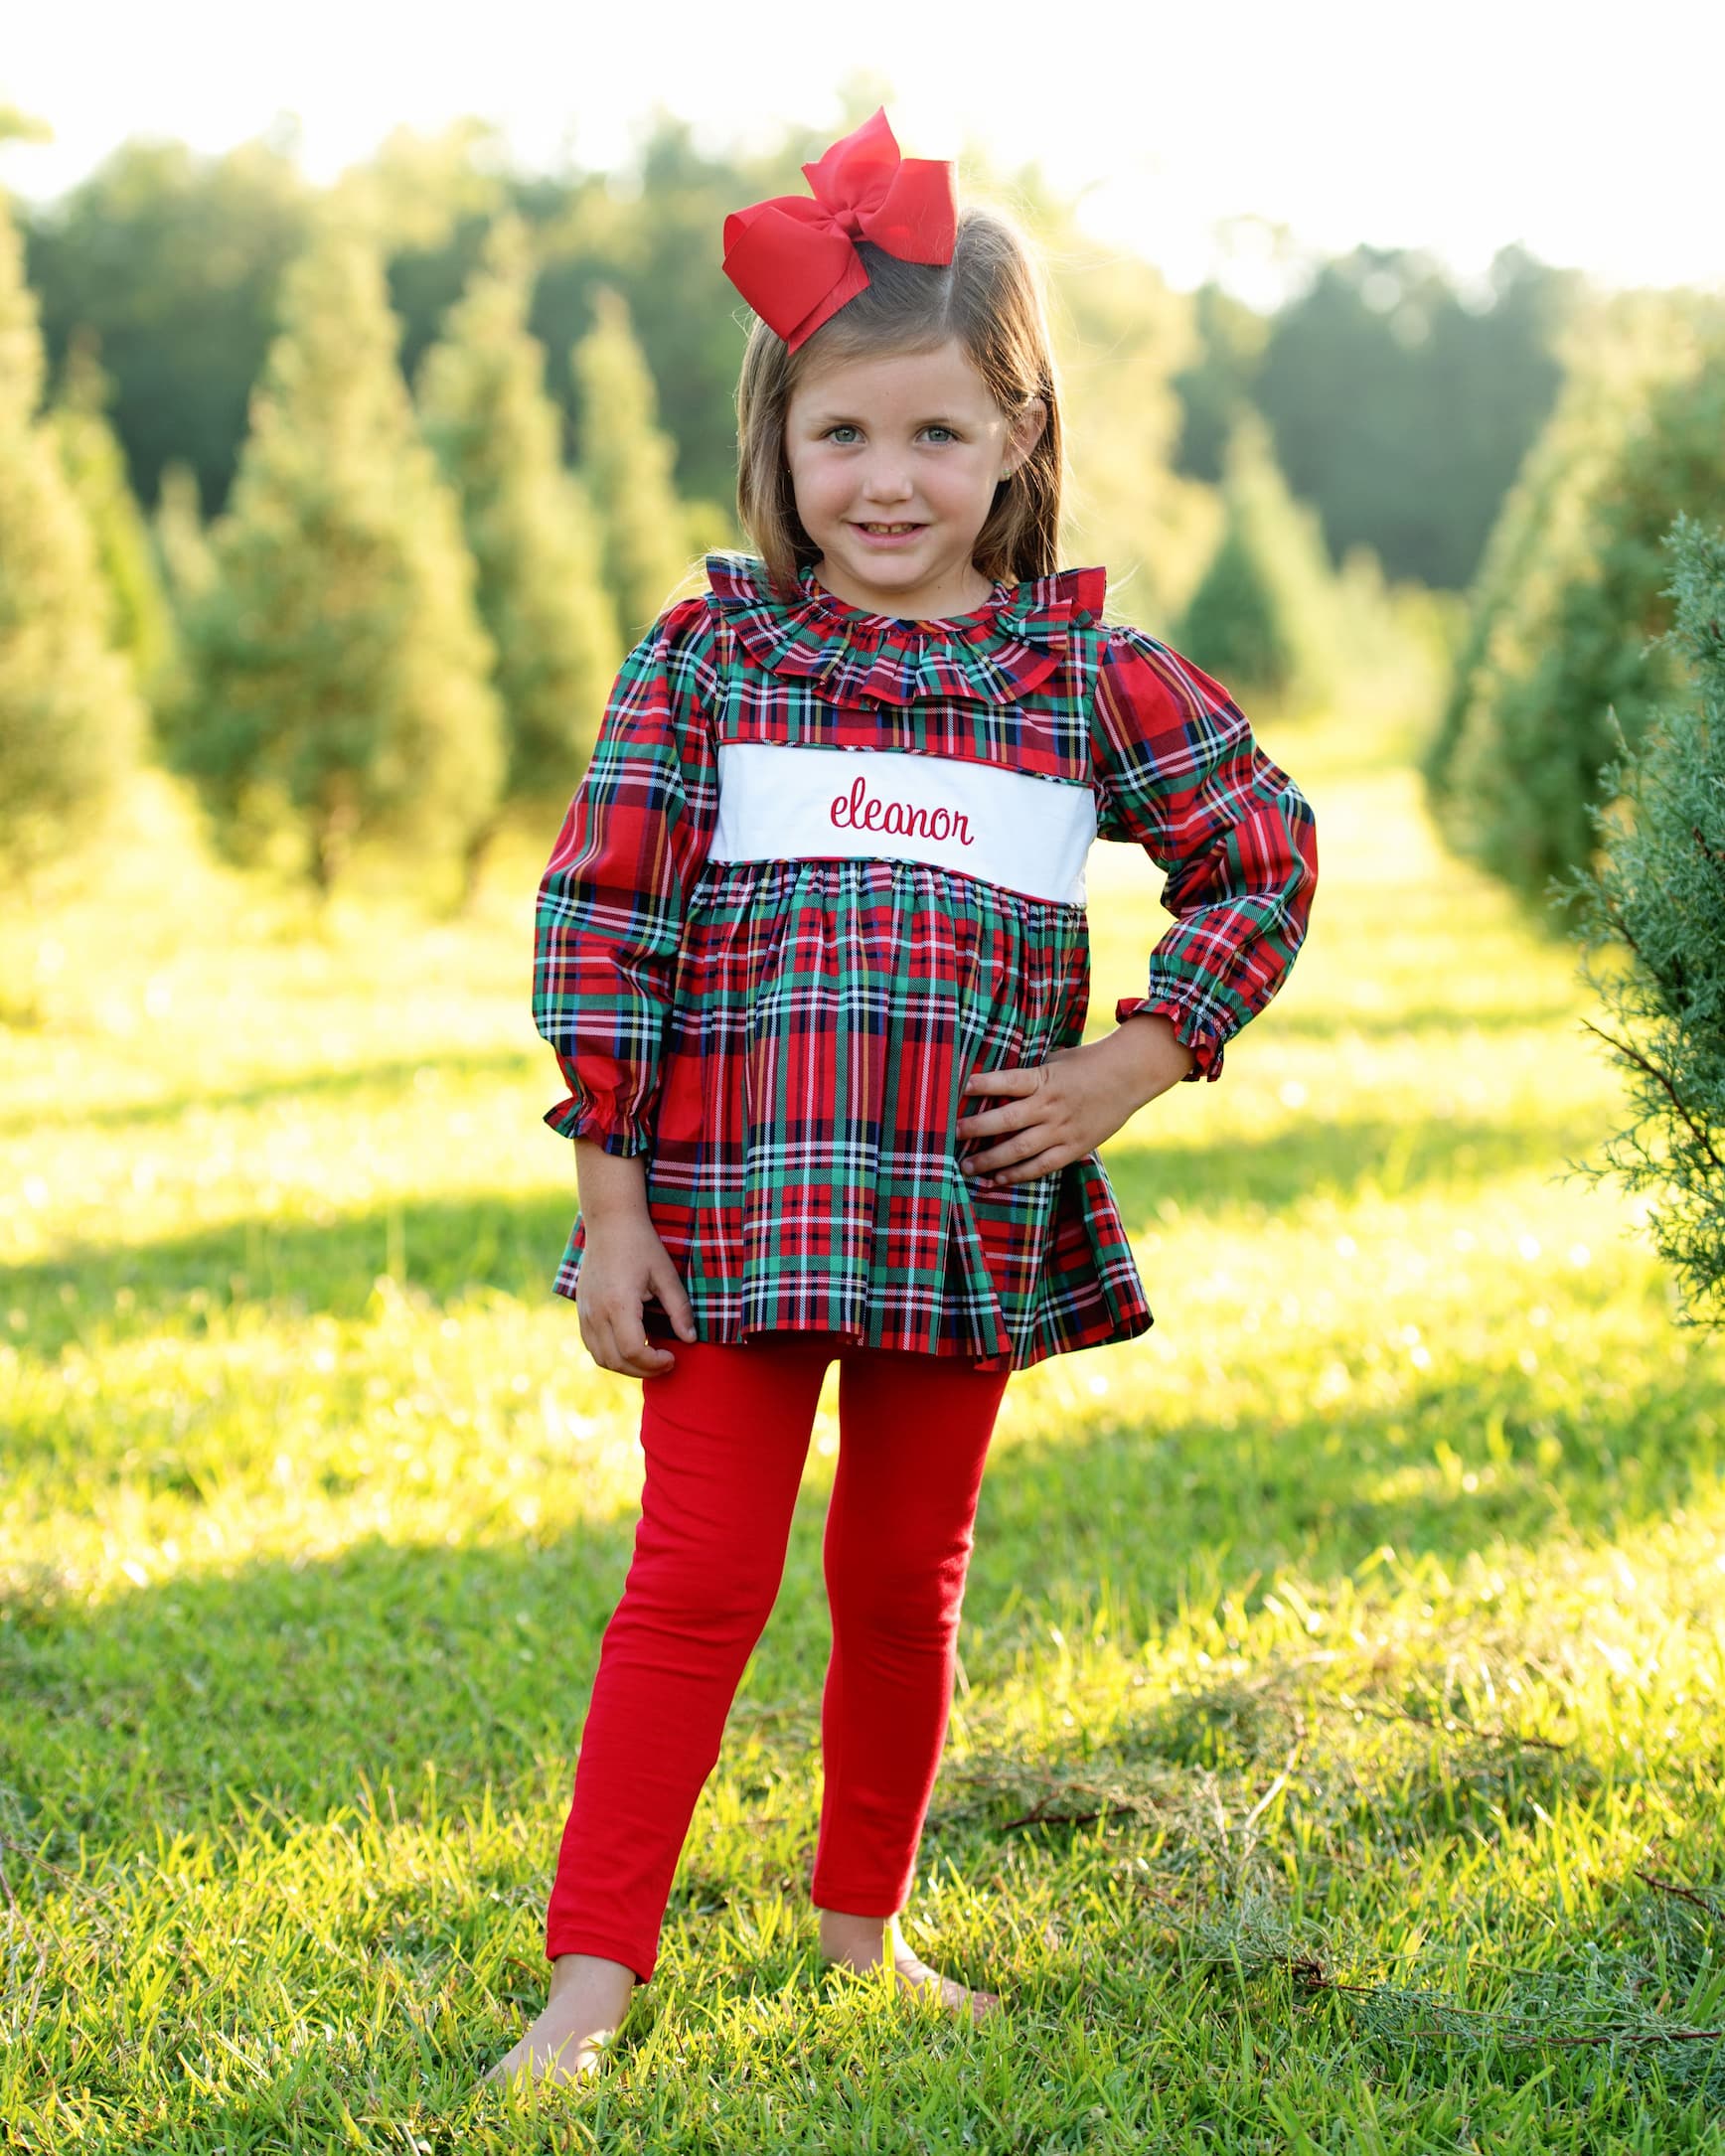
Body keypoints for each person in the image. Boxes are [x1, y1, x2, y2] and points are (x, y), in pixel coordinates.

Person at [491, 106, 1319, 2089]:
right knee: (693, 1581)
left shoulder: (1079, 680)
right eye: (843, 434)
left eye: (939, 434)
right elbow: (605, 923)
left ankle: (864, 1919)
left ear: (1019, 437)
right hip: (727, 1204)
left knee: (900, 1579)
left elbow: (1260, 846)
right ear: (777, 443)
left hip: (960, 1208)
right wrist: (611, 1207)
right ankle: (592, 1969)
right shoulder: (707, 665)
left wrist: (1135, 1055)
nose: (888, 479)